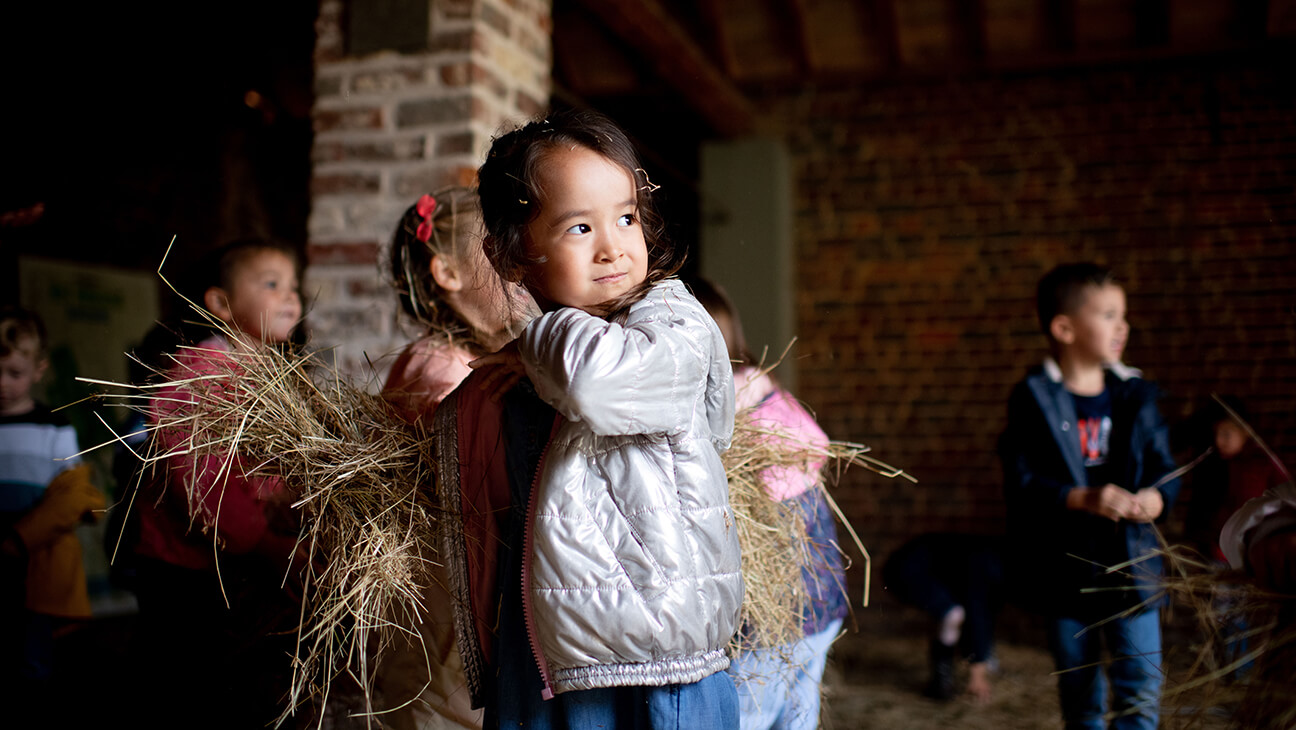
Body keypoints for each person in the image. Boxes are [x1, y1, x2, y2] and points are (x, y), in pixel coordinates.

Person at [434, 108, 742, 729]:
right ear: (512, 253)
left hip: (655, 653)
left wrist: (532, 340)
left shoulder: (670, 321)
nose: (613, 247)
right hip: (546, 646)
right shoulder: (537, 364)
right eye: (579, 227)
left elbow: (597, 385)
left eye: (626, 217)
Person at [129, 238, 307, 728]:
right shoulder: (202, 371)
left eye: (293, 285)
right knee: (187, 680)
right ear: (221, 304)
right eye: (271, 284)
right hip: (179, 560)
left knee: (229, 676)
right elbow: (200, 478)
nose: (291, 297)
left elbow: (260, 467)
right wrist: (265, 542)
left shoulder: (265, 374)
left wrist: (284, 510)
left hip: (227, 555)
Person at [377, 187, 535, 730]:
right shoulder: (438, 367)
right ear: (446, 272)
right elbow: (482, 475)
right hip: (441, 607)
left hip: (476, 595)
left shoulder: (484, 358)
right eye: (496, 249)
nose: (517, 262)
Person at [999, 262, 1180, 730]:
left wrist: (1155, 500)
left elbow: (1166, 469)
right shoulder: (1034, 398)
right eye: (1108, 314)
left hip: (1132, 570)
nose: (1123, 326)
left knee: (1140, 687)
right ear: (1064, 328)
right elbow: (1020, 483)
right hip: (1067, 571)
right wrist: (1080, 498)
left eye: (1124, 315)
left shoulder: (1135, 396)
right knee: (1079, 694)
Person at [690, 277, 846, 730]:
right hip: (823, 600)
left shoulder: (722, 411)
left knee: (749, 716)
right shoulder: (768, 390)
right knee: (799, 715)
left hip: (770, 619)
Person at [0, 306, 104, 704]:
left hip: (34, 555)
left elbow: (73, 493)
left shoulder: (53, 427)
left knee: (33, 661)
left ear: (39, 369)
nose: (3, 384)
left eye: (15, 373)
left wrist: (19, 538)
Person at [881, 532, 1005, 703]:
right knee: (953, 614)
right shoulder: (990, 565)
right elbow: (978, 613)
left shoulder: (993, 564)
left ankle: (963, 664)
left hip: (926, 568)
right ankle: (941, 681)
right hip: (906, 570)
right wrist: (977, 675)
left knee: (960, 612)